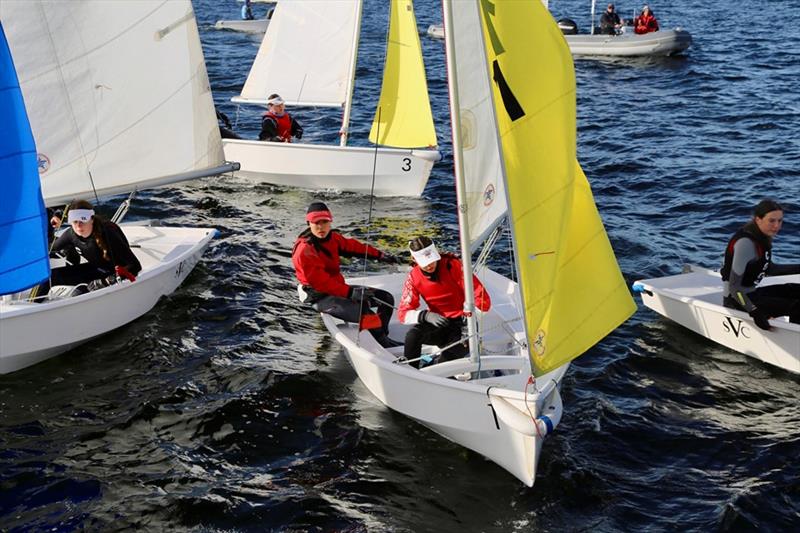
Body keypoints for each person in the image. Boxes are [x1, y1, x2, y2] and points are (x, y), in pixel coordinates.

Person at [292, 201, 403, 348]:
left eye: (324, 221)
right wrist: (351, 293)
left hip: (339, 289)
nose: (320, 227)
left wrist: (380, 256)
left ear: (330, 221)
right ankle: (385, 346)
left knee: (386, 299)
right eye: (316, 222)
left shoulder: (333, 238)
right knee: (367, 314)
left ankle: (383, 336)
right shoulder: (305, 250)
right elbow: (321, 283)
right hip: (320, 296)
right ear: (309, 223)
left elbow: (354, 247)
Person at [397, 236, 491, 368]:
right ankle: (410, 371)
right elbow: (402, 314)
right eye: (424, 262)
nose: (430, 265)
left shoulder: (452, 266)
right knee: (412, 335)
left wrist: (469, 321)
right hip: (439, 323)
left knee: (442, 365)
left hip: (462, 327)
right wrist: (425, 316)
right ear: (414, 259)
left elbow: (483, 300)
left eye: (432, 260)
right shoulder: (413, 278)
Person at [721, 199, 800, 330]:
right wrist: (755, 312)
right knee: (797, 306)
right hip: (738, 301)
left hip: (753, 294)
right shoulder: (746, 243)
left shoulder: (761, 238)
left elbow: (768, 269)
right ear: (758, 219)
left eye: (780, 221)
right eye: (772, 221)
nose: (777, 226)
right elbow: (734, 289)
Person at [49, 199, 141, 293]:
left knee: (77, 292)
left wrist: (106, 281)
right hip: (96, 269)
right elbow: (50, 249)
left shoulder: (108, 233)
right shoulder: (71, 234)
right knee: (51, 277)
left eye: (83, 220)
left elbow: (136, 266)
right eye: (74, 221)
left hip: (114, 275)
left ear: (91, 219)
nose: (79, 226)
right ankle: (35, 304)